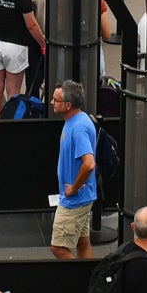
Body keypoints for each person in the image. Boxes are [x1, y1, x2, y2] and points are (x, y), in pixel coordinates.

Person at [49, 80, 99, 259]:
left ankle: (78, 279)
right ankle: (88, 279)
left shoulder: (78, 128)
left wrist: (74, 188)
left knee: (58, 247)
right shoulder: (78, 119)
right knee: (82, 242)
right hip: (83, 198)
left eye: (56, 100)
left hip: (74, 201)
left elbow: (89, 163)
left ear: (68, 105)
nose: (52, 102)